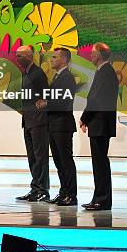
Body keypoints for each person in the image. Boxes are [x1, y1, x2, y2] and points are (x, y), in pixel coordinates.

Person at [80, 42, 119, 211]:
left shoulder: (105, 72)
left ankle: (102, 200)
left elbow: (95, 99)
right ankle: (99, 197)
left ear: (100, 55)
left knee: (100, 163)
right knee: (99, 163)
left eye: (93, 52)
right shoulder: (103, 71)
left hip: (100, 123)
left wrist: (84, 118)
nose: (90, 55)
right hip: (99, 123)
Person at [15, 46, 50, 202]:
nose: (17, 58)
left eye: (19, 55)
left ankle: (43, 190)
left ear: (29, 56)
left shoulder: (38, 73)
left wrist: (40, 106)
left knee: (40, 156)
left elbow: (46, 96)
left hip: (38, 122)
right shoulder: (25, 73)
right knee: (32, 157)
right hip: (28, 121)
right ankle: (35, 188)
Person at [46, 48, 78, 206]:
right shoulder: (58, 77)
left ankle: (71, 195)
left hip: (62, 124)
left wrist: (46, 103)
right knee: (59, 162)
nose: (51, 59)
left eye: (54, 57)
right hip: (54, 124)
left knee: (66, 161)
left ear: (64, 60)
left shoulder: (67, 77)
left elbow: (63, 102)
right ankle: (64, 192)